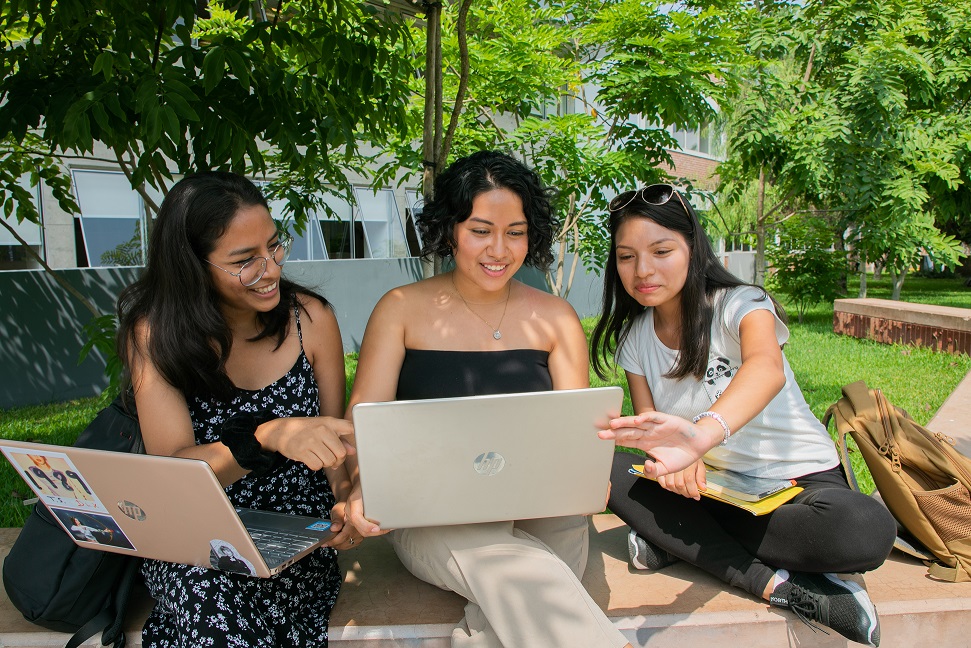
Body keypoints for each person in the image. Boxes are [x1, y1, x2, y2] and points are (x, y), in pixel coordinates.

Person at [345, 150, 631, 648]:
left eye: (515, 232)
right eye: (480, 230)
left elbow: (576, 434)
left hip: (546, 510)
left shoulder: (557, 318)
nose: (499, 249)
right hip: (432, 515)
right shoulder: (400, 310)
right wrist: (356, 488)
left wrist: (589, 473)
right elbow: (360, 426)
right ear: (450, 229)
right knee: (526, 576)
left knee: (508, 609)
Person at [591, 184, 897, 647]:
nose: (643, 270)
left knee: (865, 528)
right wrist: (671, 456)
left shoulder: (741, 304)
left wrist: (699, 438)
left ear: (692, 248)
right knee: (603, 466)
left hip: (796, 486)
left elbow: (765, 368)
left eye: (661, 250)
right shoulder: (635, 338)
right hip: (713, 490)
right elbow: (654, 434)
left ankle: (678, 540)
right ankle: (773, 584)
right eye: (626, 256)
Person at [116, 171, 359, 647]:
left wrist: (346, 500)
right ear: (192, 264)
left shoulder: (310, 318)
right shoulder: (155, 335)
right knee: (209, 601)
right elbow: (173, 475)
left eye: (274, 246)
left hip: (296, 537)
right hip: (198, 537)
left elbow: (339, 451)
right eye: (245, 260)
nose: (270, 269)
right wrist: (265, 437)